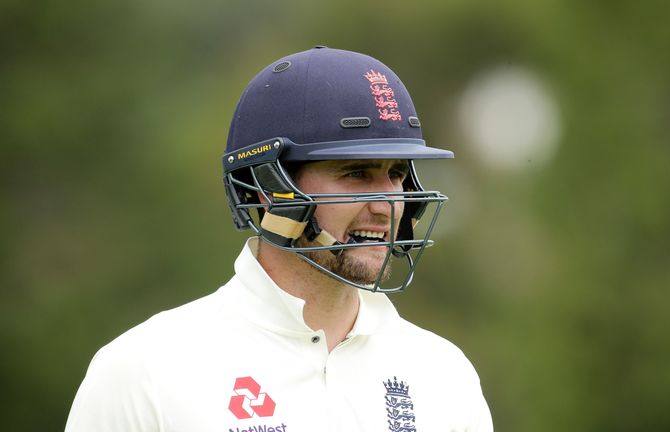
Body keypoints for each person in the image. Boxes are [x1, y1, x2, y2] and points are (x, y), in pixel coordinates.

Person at [65, 46, 493, 432]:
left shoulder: (445, 375)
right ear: (270, 187)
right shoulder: (145, 372)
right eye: (356, 173)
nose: (386, 206)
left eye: (396, 174)